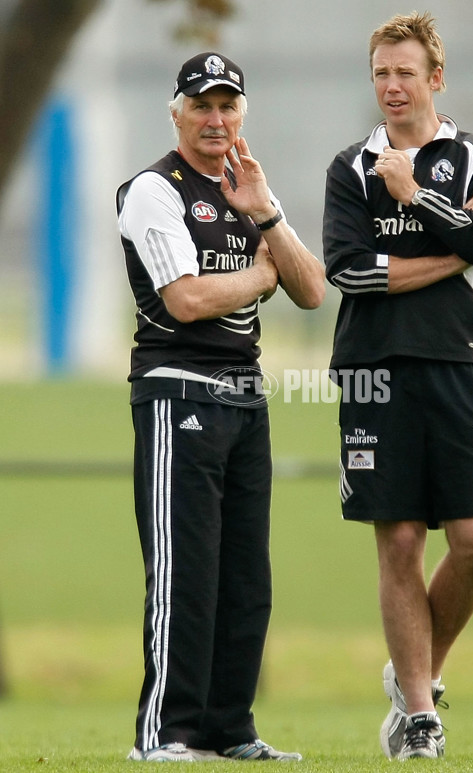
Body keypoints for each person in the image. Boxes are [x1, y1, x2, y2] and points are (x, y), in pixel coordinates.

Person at [117, 51, 325, 763]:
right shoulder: (153, 189)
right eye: (202, 105)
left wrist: (266, 213)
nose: (216, 118)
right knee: (186, 574)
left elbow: (311, 289)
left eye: (227, 105)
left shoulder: (249, 189)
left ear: (243, 113)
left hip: (246, 399)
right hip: (178, 393)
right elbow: (186, 299)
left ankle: (230, 729)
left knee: (245, 579)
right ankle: (167, 733)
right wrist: (258, 271)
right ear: (175, 110)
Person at [323, 12, 473, 761]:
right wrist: (453, 249)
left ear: (436, 78)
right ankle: (417, 715)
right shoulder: (351, 168)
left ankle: (415, 675)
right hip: (372, 370)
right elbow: (347, 270)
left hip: (459, 365)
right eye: (380, 72)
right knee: (400, 537)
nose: (391, 86)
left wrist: (414, 196)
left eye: (404, 72)